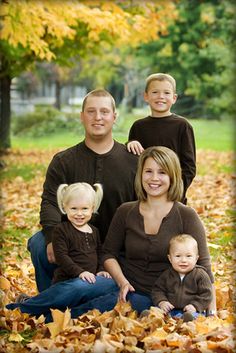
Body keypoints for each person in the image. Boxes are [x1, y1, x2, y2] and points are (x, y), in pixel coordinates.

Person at [59, 146, 216, 318]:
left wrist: (212, 312)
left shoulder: (186, 215)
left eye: (162, 172)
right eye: (148, 171)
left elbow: (205, 266)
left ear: (173, 177)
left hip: (167, 298)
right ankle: (32, 309)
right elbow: (108, 254)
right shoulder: (126, 211)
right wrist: (122, 282)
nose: (154, 178)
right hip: (125, 285)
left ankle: (51, 316)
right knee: (79, 288)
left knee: (98, 307)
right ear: (140, 174)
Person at [28, 89, 138, 292]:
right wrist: (52, 238)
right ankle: (48, 300)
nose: (98, 117)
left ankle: (67, 297)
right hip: (72, 242)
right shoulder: (63, 161)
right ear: (81, 116)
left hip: (118, 248)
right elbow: (50, 202)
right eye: (91, 111)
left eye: (104, 112)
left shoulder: (133, 161)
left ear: (114, 117)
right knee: (38, 243)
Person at [6, 182, 117, 322]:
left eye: (84, 209)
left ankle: (47, 317)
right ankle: (17, 308)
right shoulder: (62, 230)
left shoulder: (94, 231)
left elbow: (100, 253)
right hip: (67, 280)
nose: (79, 213)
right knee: (63, 296)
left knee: (79, 302)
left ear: (92, 208)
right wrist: (80, 272)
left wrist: (101, 269)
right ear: (65, 208)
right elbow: (62, 257)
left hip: (88, 281)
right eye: (74, 208)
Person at [127, 73, 196, 204]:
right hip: (145, 195)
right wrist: (131, 143)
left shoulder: (182, 126)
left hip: (173, 196)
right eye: (155, 92)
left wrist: (176, 191)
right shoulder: (139, 126)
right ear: (146, 96)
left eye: (166, 93)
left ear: (174, 98)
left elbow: (189, 166)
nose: (161, 97)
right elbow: (133, 161)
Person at [151, 234, 213, 322]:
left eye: (188, 256)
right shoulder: (167, 275)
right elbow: (157, 290)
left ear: (196, 258)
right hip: (171, 310)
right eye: (178, 256)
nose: (183, 260)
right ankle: (150, 317)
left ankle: (187, 320)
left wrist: (195, 305)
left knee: (195, 317)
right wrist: (162, 301)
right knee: (158, 313)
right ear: (170, 258)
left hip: (191, 310)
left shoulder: (200, 275)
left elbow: (206, 294)